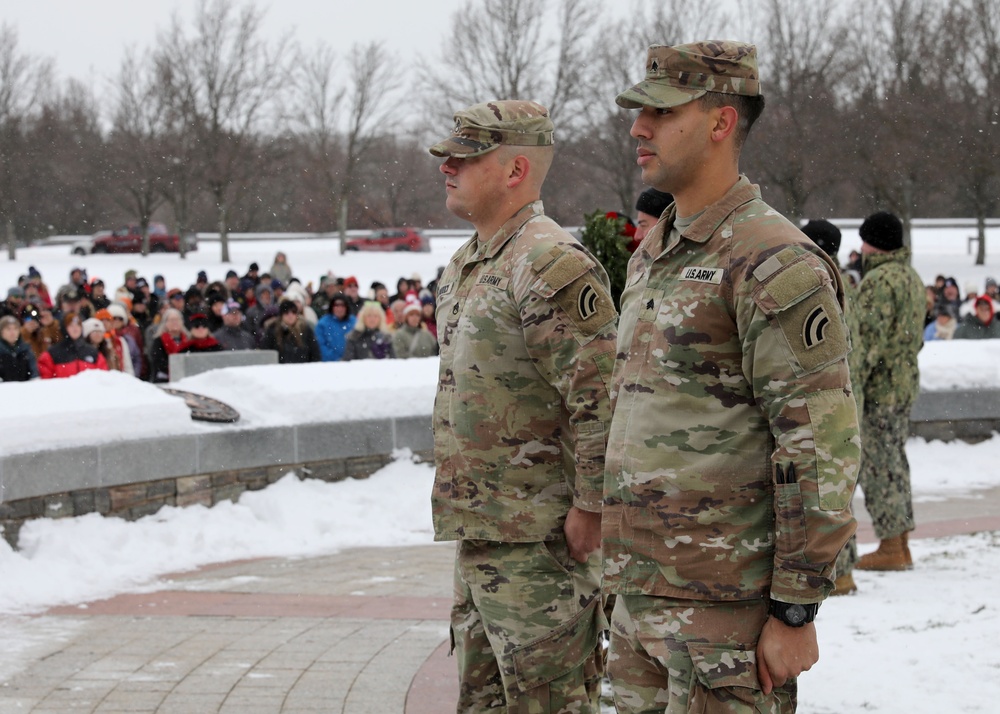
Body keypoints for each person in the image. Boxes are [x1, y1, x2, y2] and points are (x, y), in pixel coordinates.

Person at [604, 42, 860, 713]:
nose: (639, 127)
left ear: (721, 123)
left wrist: (796, 608)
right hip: (639, 606)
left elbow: (820, 445)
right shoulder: (653, 253)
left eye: (660, 112)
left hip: (725, 625)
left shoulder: (773, 260)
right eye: (639, 112)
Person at [429, 99, 618, 712]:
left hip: (542, 547)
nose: (447, 168)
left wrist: (591, 507)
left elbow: (600, 399)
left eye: (464, 157)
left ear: (514, 170)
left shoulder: (550, 263)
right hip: (484, 535)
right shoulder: (468, 263)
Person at [853, 211, 924, 573]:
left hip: (879, 391)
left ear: (873, 243)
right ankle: (901, 543)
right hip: (904, 385)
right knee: (895, 462)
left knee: (879, 466)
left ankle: (891, 545)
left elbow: (865, 345)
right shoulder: (911, 277)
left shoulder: (878, 281)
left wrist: (851, 386)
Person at [800, 218, 864, 595]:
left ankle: (838, 571)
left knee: (825, 490)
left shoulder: (812, 282)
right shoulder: (845, 283)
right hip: (844, 395)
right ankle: (844, 568)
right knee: (839, 486)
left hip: (823, 397)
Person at [38, 312, 109, 378]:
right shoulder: (52, 354)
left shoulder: (93, 353)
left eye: (78, 325)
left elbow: (102, 379)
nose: (75, 328)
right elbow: (46, 382)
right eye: (71, 325)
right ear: (64, 328)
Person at [148, 308, 190, 382]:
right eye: (171, 320)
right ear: (165, 323)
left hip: (186, 378)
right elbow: (157, 361)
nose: (175, 322)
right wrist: (174, 368)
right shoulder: (158, 341)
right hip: (164, 378)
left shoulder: (188, 340)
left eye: (177, 319)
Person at [315, 293, 356, 362]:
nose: (340, 308)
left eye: (342, 305)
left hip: (351, 363)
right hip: (330, 364)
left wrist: (350, 358)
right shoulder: (322, 324)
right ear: (332, 307)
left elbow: (359, 343)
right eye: (336, 305)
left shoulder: (354, 322)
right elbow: (320, 345)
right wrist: (335, 359)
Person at [0, 315, 39, 382]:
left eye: (15, 328)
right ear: (1, 332)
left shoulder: (26, 350)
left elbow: (34, 373)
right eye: (8, 329)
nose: (12, 332)